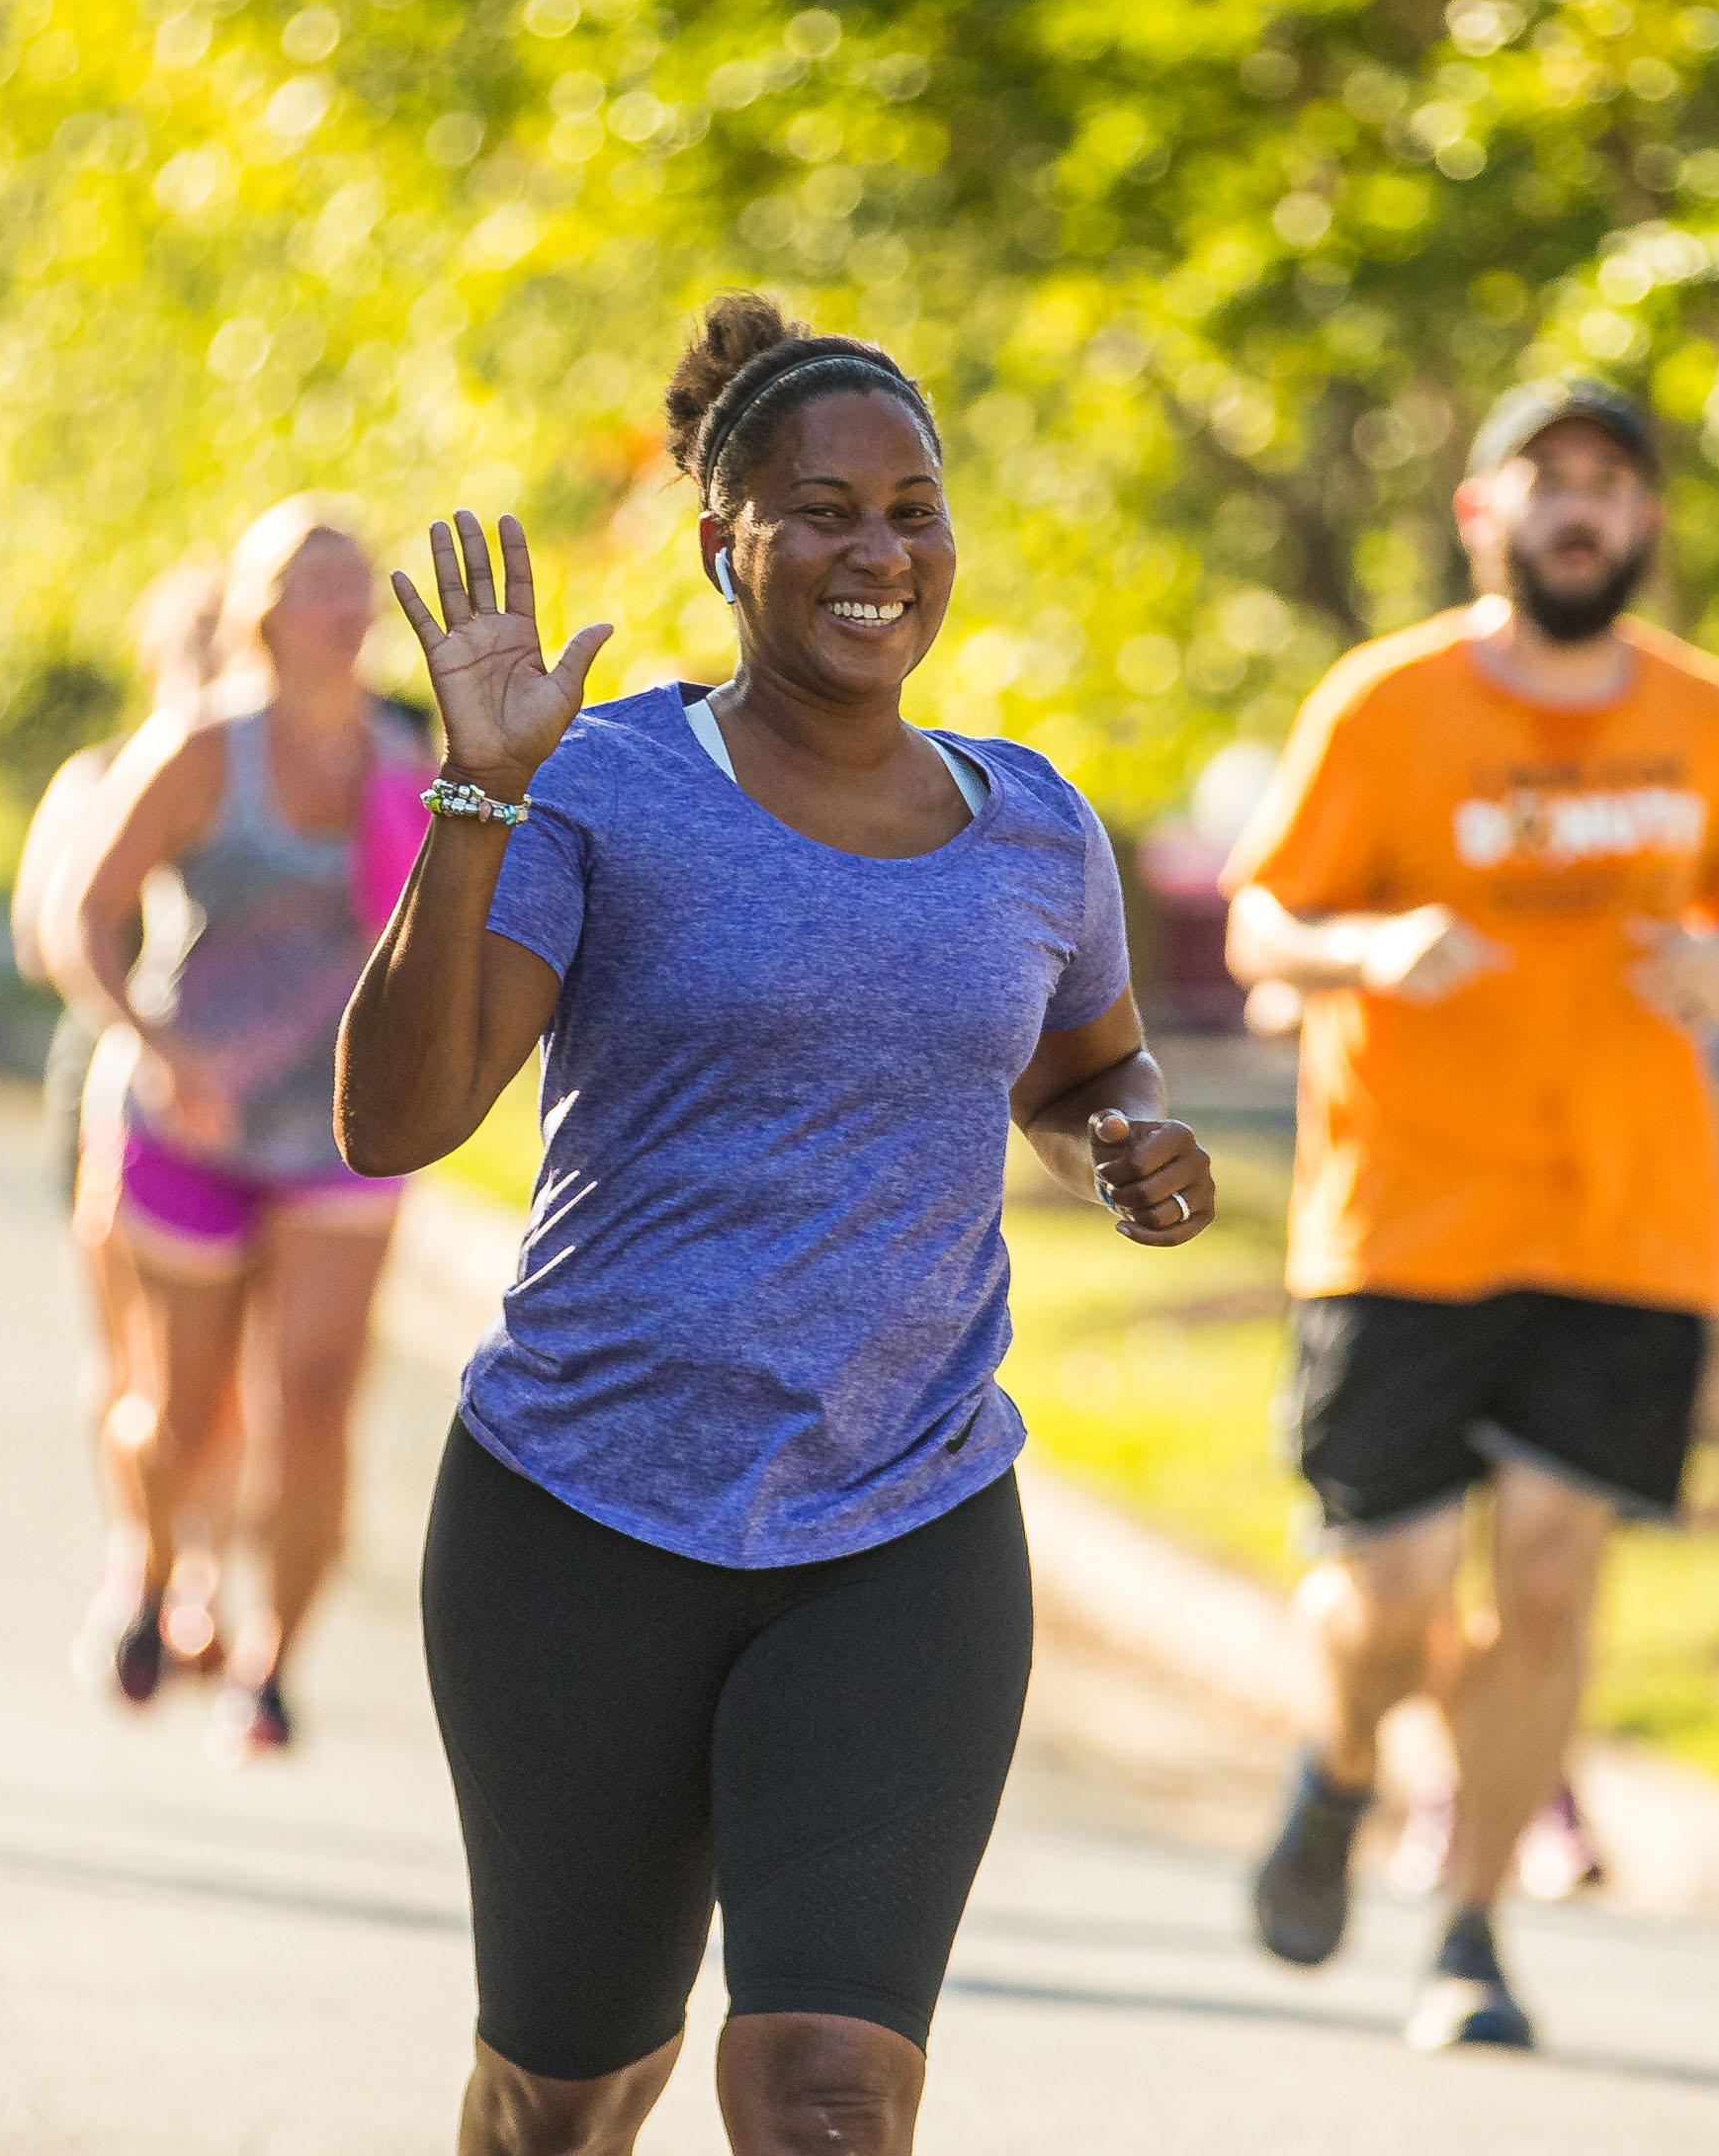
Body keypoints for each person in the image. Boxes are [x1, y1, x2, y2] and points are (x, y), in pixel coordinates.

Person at [338, 294, 1218, 2156]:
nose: (877, 550)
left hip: (903, 1519)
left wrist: (1129, 1142)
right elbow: (396, 1117)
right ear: (726, 540)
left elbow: (1082, 1075)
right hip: (580, 1516)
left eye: (913, 508)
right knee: (564, 2093)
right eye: (823, 510)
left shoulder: (1037, 827)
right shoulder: (603, 785)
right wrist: (481, 786)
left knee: (827, 2090)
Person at [1225, 374, 1719, 2051]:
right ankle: (1342, 1768)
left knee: (1550, 1580)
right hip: (1403, 1212)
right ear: (1483, 514)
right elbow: (1265, 921)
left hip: (1629, 1220)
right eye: (1544, 478)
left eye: (1609, 484)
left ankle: (1470, 1931)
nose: (1578, 506)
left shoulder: (1710, 721)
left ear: (1644, 525)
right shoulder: (1386, 703)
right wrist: (1366, 948)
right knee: (1392, 1593)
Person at [47, 502, 428, 1760]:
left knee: (315, 1404)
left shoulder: (404, 768)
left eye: (357, 583)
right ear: (267, 613)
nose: (347, 603)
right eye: (319, 583)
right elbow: (84, 922)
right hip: (190, 1124)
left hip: (336, 1132)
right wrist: (156, 1054)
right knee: (183, 1405)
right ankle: (151, 1570)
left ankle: (271, 1666)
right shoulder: (203, 753)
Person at [10, 558, 239, 1682]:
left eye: (225, 634)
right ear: (156, 653)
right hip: (107, 1080)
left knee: (228, 1372)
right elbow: (40, 929)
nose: (212, 654)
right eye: (191, 636)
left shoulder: (268, 782)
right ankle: (134, 1554)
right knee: (128, 1357)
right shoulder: (104, 771)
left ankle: (202, 1578)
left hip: (239, 1096)